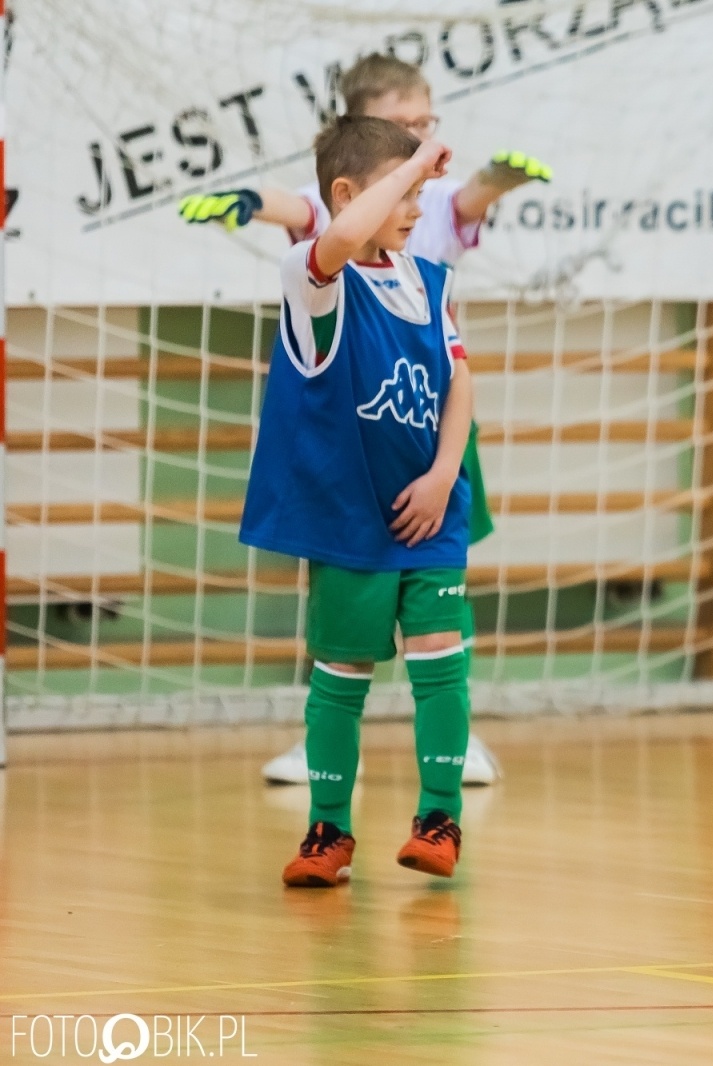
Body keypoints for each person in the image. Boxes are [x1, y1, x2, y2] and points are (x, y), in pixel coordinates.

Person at [181, 54, 552, 788]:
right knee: (343, 587)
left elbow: (471, 198)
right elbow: (296, 210)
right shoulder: (348, 213)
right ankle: (320, 745)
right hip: (356, 406)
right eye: (405, 126)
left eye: (426, 124)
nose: (420, 141)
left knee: (444, 570)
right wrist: (242, 201)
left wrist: (500, 179)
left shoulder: (430, 206)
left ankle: (455, 737)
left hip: (432, 394)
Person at [241, 117, 475, 886]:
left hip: (430, 515)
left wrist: (444, 473)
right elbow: (338, 239)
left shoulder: (428, 281)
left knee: (441, 657)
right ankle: (329, 830)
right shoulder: (313, 279)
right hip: (350, 524)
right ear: (349, 195)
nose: (416, 207)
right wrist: (409, 173)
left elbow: (459, 381)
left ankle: (440, 817)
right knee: (341, 675)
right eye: (398, 190)